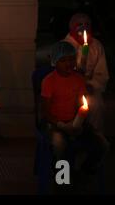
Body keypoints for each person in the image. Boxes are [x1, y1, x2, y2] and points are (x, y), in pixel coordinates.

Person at [41, 41, 109, 179]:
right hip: (56, 124)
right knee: (60, 145)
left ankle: (83, 172)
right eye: (63, 60)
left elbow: (80, 105)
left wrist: (79, 121)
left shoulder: (78, 80)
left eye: (71, 59)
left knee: (103, 144)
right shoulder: (49, 81)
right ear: (55, 62)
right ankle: (62, 179)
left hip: (75, 122)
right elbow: (45, 112)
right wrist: (62, 125)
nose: (68, 64)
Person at [63, 13, 109, 133]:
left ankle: (95, 139)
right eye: (79, 24)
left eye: (87, 24)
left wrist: (91, 85)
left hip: (89, 87)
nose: (84, 27)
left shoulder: (96, 46)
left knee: (97, 106)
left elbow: (102, 73)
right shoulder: (64, 46)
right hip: (69, 88)